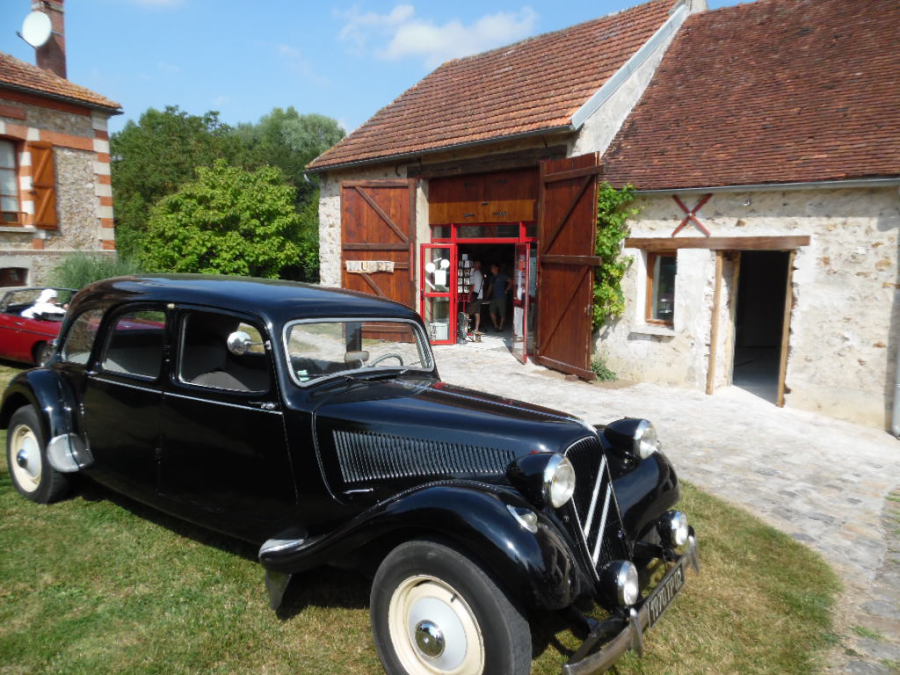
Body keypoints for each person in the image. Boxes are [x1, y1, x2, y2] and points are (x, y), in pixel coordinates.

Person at [486, 263, 511, 331]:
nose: (491, 269)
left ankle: (500, 327)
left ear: (497, 268)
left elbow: (511, 281)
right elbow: (490, 288)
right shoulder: (492, 278)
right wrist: (487, 296)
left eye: (493, 268)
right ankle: (496, 326)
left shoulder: (502, 276)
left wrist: (507, 289)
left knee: (502, 313)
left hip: (501, 297)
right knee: (491, 311)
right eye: (491, 268)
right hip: (493, 298)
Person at [467, 260, 485, 334]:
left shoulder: (475, 274)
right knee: (477, 313)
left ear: (477, 265)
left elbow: (473, 286)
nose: (473, 265)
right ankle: (476, 329)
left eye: (474, 264)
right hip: (480, 296)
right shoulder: (480, 274)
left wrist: (469, 295)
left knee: (468, 312)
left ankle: (466, 328)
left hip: (475, 296)